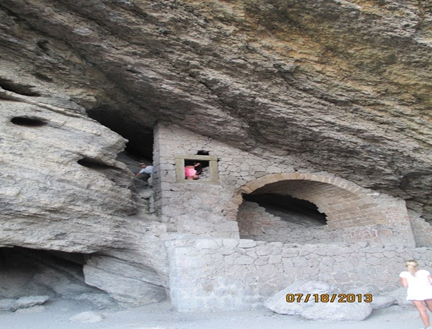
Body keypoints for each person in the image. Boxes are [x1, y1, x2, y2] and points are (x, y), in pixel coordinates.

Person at [400, 260, 432, 329]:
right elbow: (431, 281)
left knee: (422, 310)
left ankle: (428, 327)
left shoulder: (404, 274)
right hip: (427, 291)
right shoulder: (424, 272)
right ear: (416, 265)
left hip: (415, 293)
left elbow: (405, 285)